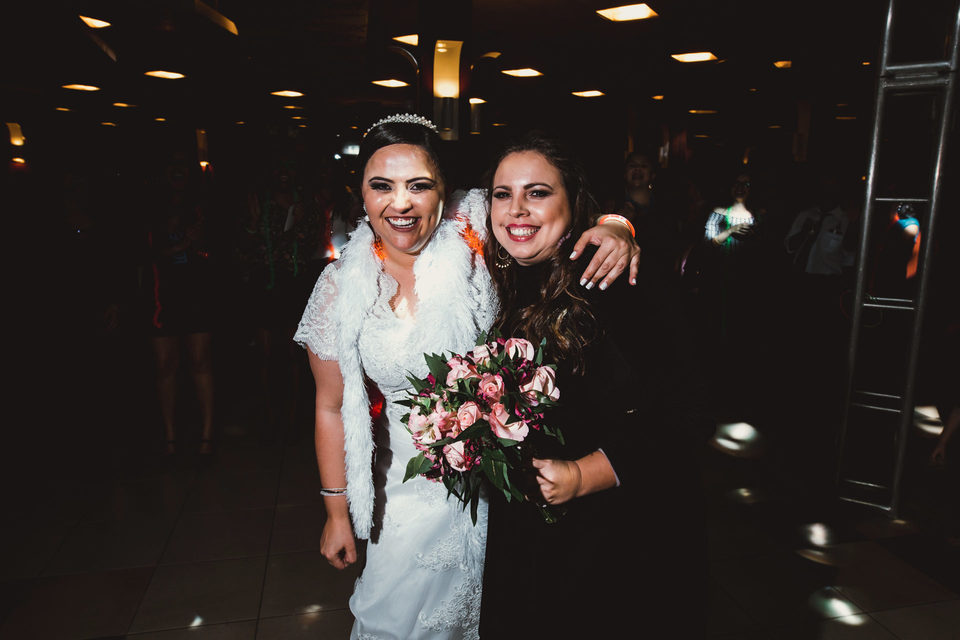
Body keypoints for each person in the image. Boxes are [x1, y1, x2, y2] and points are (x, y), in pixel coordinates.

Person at [293, 114, 640, 639]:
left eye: (419, 185)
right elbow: (330, 407)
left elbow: (553, 206)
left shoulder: (474, 225)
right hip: (404, 498)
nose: (401, 203)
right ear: (360, 194)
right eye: (381, 186)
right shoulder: (339, 288)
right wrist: (336, 512)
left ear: (446, 191)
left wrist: (617, 225)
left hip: (506, 498)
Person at [478, 132, 708, 638]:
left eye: (538, 193)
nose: (516, 210)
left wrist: (583, 475)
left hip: (605, 534)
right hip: (525, 532)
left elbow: (685, 410)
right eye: (502, 194)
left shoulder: (613, 277)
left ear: (573, 201)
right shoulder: (500, 277)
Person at [144, 159, 217, 456]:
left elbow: (215, 250)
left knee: (200, 361)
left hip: (196, 294)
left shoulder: (201, 207)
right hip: (161, 295)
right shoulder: (151, 209)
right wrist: (175, 246)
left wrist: (199, 242)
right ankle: (170, 437)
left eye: (182, 166)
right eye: (171, 165)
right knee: (165, 365)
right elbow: (141, 253)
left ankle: (207, 435)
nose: (177, 171)